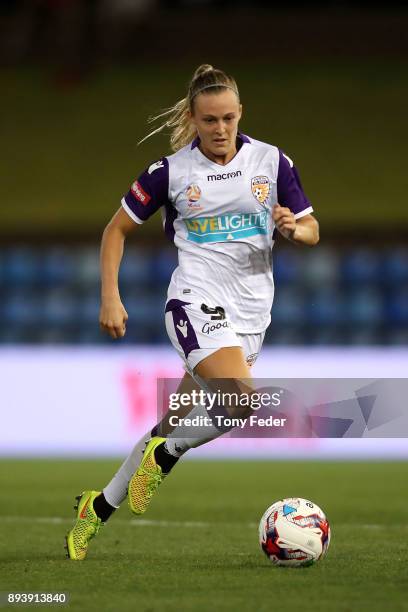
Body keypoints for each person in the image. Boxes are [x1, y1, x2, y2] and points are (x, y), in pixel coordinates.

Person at [65, 64, 319, 560]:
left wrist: (293, 229)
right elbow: (115, 230)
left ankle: (95, 510)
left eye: (227, 118)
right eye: (209, 120)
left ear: (240, 113)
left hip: (250, 316)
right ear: (193, 118)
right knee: (242, 404)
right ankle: (169, 454)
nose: (220, 129)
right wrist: (110, 296)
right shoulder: (170, 173)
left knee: (173, 418)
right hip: (194, 301)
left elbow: (312, 228)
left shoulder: (272, 162)